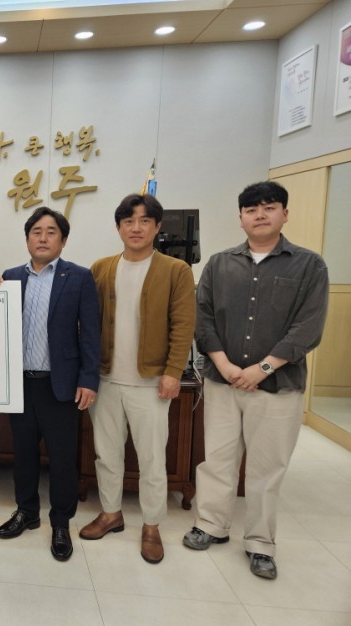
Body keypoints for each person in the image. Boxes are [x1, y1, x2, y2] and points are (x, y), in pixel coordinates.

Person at [183, 181, 328, 580]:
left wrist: (262, 368)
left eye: (269, 207)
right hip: (223, 380)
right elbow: (203, 319)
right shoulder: (219, 264)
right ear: (240, 218)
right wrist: (224, 364)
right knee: (217, 460)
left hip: (278, 386)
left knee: (267, 468)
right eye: (251, 209)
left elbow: (308, 327)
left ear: (285, 213)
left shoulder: (309, 265)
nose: (260, 214)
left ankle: (261, 543)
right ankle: (211, 525)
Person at [79, 193, 195, 564]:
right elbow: (86, 322)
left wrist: (173, 372)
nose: (136, 227)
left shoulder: (176, 270)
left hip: (151, 383)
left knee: (152, 459)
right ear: (118, 227)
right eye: (128, 221)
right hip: (106, 379)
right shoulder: (101, 268)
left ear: (157, 226)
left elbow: (183, 325)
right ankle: (111, 513)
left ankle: (151, 525)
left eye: (145, 220)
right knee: (106, 454)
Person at [0, 206, 100, 561]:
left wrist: (88, 379)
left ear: (63, 240)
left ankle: (60, 522)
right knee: (23, 454)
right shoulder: (9, 278)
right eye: (36, 232)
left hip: (60, 385)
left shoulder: (79, 277)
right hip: (20, 384)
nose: (42, 238)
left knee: (63, 458)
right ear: (27, 239)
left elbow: (91, 334)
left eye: (51, 232)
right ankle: (27, 512)